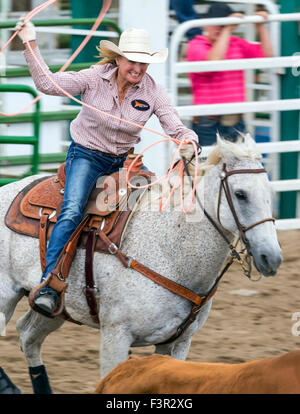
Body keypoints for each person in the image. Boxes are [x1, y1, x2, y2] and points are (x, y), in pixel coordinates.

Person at [16, 18, 199, 316]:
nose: (138, 69)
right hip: (85, 157)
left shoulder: (152, 92)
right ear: (118, 59)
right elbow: (47, 84)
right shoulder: (92, 78)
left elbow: (174, 125)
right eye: (132, 62)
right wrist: (30, 41)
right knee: (73, 209)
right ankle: (49, 284)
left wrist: (189, 141)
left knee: (152, 209)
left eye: (143, 63)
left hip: (123, 162)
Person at [186, 3, 274, 146]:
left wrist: (261, 27)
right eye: (217, 23)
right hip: (207, 123)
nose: (220, 27)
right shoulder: (196, 45)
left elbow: (267, 56)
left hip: (235, 120)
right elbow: (213, 63)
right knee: (207, 167)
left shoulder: (236, 43)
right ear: (205, 25)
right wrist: (227, 29)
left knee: (242, 166)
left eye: (224, 23)